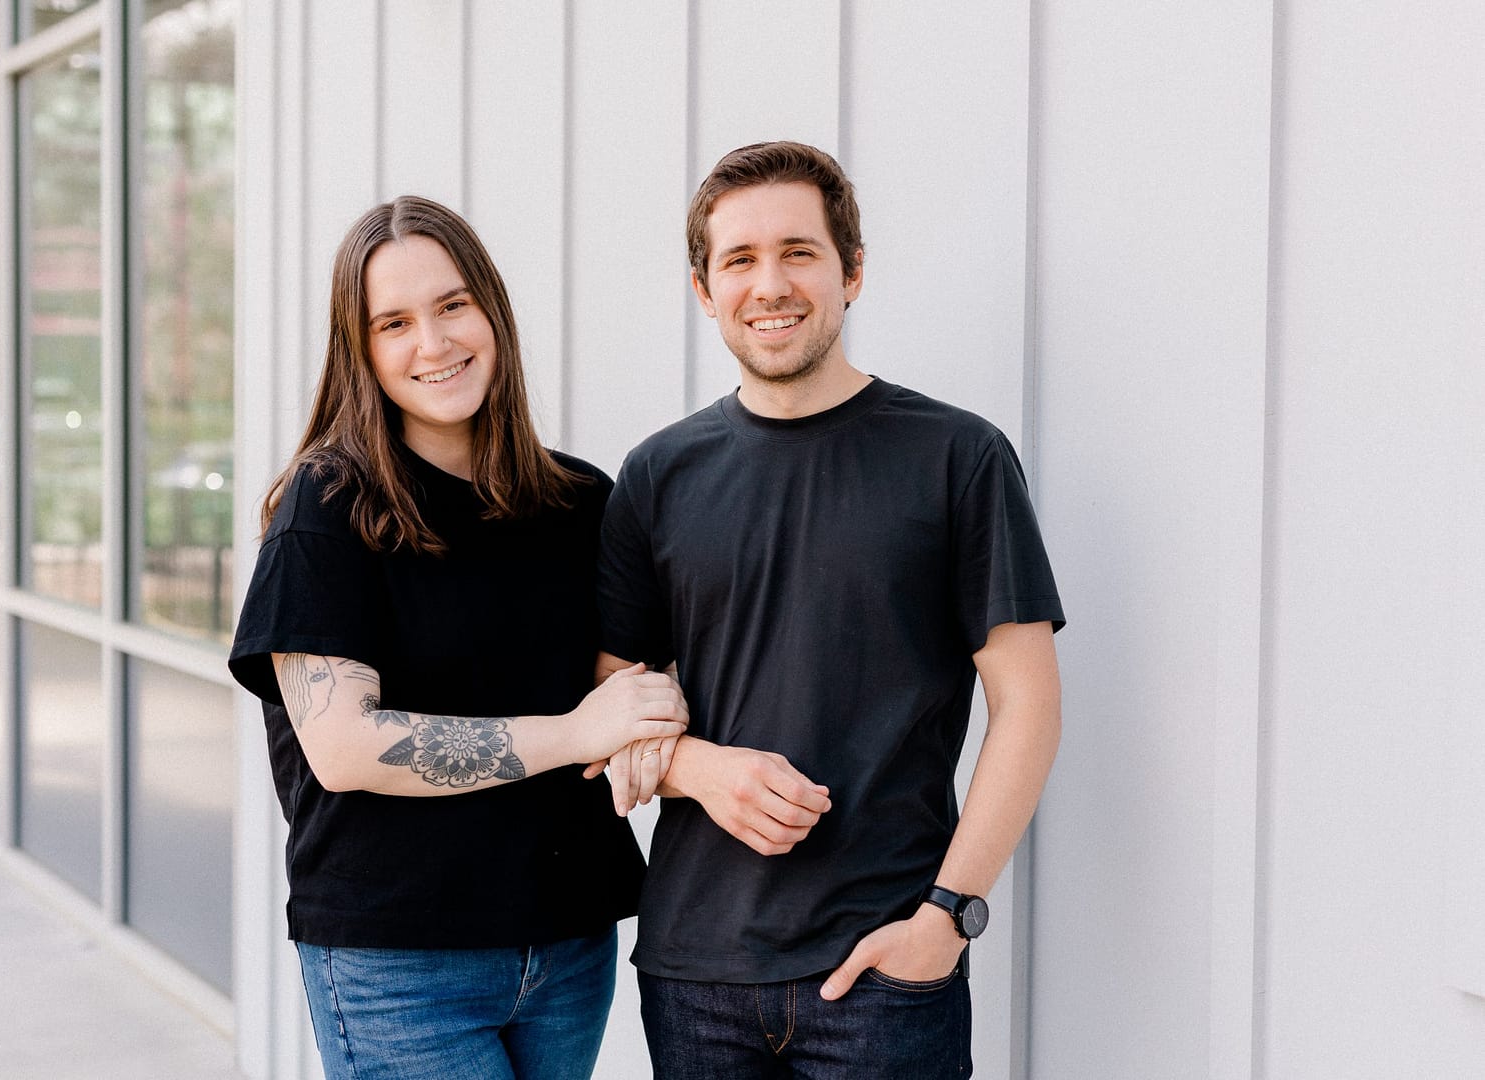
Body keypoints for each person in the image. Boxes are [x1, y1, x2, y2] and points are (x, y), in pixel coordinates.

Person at [595, 141, 1066, 1078]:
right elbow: (611, 710)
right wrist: (703, 770)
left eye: (798, 252)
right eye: (739, 260)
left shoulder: (957, 458)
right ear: (704, 289)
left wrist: (949, 917)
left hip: (886, 973)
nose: (770, 284)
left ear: (851, 272)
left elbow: (1030, 705)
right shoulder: (656, 476)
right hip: (696, 976)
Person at [228, 195, 688, 1080]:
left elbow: (632, 684)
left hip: (566, 944)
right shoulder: (328, 507)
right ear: (359, 352)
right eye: (393, 323)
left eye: (450, 307)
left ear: (492, 311)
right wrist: (579, 733)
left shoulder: (580, 503)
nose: (432, 345)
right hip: (401, 961)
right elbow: (345, 747)